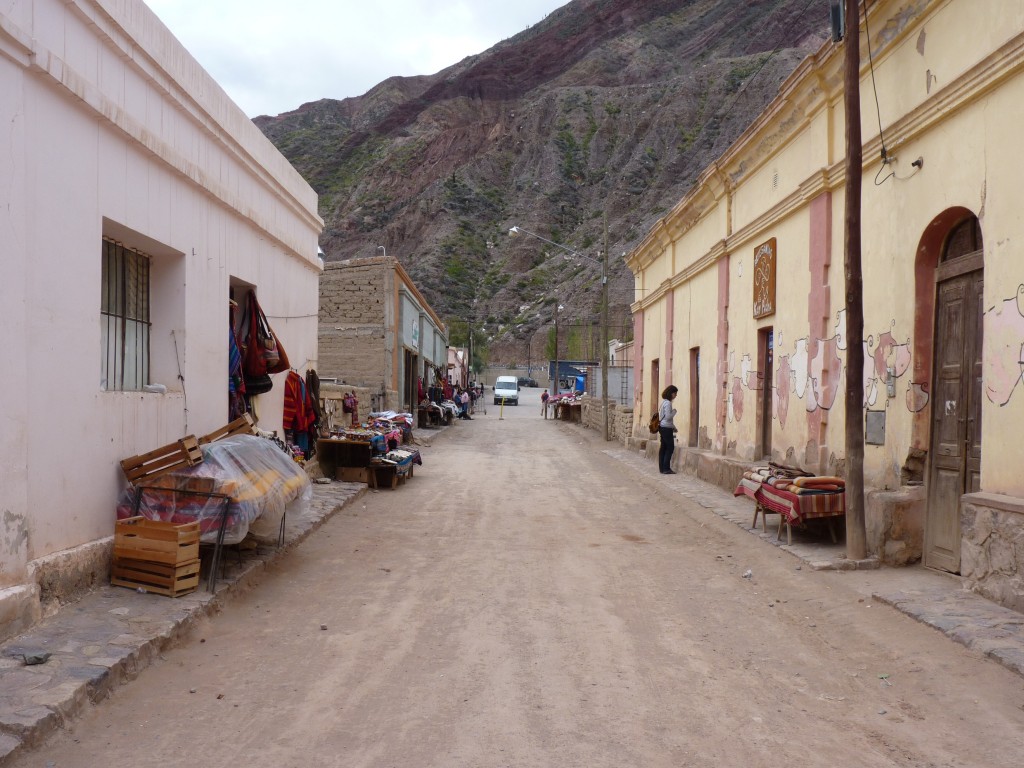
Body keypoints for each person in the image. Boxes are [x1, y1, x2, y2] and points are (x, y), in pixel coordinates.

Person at [658, 385, 679, 474]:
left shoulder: (663, 402)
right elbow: (668, 417)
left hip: (663, 427)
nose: (676, 395)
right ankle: (666, 468)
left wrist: (673, 427)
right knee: (670, 448)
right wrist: (674, 411)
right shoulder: (668, 403)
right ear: (671, 393)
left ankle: (662, 468)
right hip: (666, 428)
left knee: (663, 448)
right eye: (675, 393)